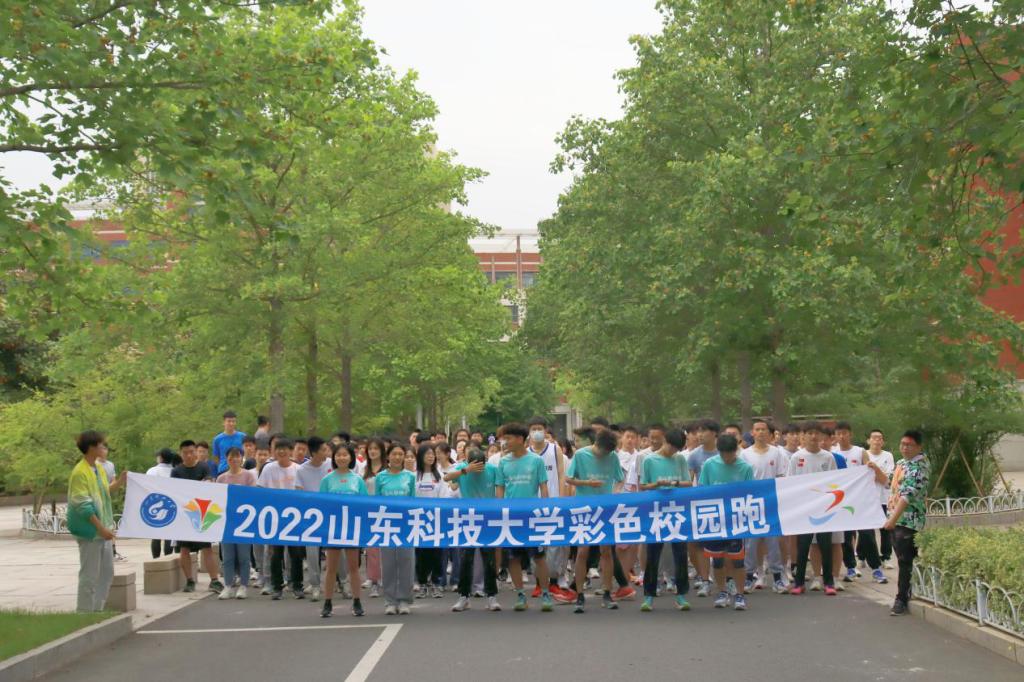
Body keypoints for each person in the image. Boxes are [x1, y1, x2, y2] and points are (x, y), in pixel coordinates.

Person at [497, 422, 554, 612]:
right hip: (512, 518)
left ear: (520, 439)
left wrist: (545, 511)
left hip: (532, 518)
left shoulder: (536, 461)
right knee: (513, 558)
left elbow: (543, 487)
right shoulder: (503, 462)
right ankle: (521, 595)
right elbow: (500, 489)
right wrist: (500, 512)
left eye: (508, 438)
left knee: (539, 557)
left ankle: (545, 593)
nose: (505, 442)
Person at [565, 428, 624, 613]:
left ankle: (607, 592)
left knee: (606, 550)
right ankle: (579, 594)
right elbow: (568, 479)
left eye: (607, 453)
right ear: (596, 444)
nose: (604, 455)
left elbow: (620, 479)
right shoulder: (581, 455)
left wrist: (615, 492)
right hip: (584, 508)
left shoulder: (612, 457)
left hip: (605, 509)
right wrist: (587, 483)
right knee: (582, 551)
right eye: (602, 452)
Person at [67, 430, 123, 612]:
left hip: (102, 529)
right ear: (91, 448)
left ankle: (97, 610)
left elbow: (103, 492)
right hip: (90, 531)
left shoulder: (98, 468)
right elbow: (83, 506)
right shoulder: (80, 472)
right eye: (100, 445)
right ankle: (84, 613)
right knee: (90, 575)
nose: (103, 448)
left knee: (107, 573)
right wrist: (100, 529)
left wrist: (121, 481)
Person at [698, 434, 754, 611]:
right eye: (723, 454)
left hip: (736, 520)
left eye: (730, 454)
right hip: (715, 519)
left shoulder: (745, 468)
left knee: (737, 560)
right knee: (717, 559)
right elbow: (702, 489)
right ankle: (722, 591)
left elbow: (750, 494)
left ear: (736, 450)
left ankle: (740, 594)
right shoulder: (709, 465)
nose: (727, 458)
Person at [638, 428, 692, 612]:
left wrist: (674, 483)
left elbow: (688, 482)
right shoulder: (649, 460)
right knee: (653, 554)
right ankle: (649, 595)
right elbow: (643, 486)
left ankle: (681, 594)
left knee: (680, 554)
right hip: (656, 511)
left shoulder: (680, 459)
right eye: (672, 447)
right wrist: (657, 484)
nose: (673, 451)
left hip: (677, 510)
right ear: (665, 441)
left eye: (677, 449)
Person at [447, 447, 504, 612]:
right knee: (466, 558)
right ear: (468, 462)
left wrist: (498, 511)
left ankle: (491, 595)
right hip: (468, 518)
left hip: (488, 518)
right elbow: (447, 478)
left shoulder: (492, 469)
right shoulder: (462, 468)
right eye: (476, 466)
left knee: (489, 558)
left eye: (481, 465)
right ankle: (463, 596)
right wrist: (466, 470)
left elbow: (500, 492)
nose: (479, 469)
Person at [787, 422, 838, 596]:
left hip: (824, 508)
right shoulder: (797, 457)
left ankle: (829, 582)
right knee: (803, 546)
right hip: (804, 508)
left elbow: (834, 481)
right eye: (809, 433)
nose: (813, 436)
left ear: (822, 436)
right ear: (804, 436)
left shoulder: (828, 457)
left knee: (825, 546)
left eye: (816, 433)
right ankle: (799, 582)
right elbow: (790, 482)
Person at [884, 430, 931, 616]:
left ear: (919, 447)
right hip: (895, 518)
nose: (905, 448)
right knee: (902, 558)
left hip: (909, 520)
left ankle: (901, 599)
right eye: (903, 444)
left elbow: (907, 495)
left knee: (905, 560)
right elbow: (889, 482)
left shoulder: (920, 466)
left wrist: (892, 520)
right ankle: (913, 589)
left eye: (909, 445)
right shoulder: (901, 463)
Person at [740, 419, 788, 594]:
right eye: (757, 429)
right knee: (751, 543)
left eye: (763, 429)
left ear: (769, 433)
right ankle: (749, 577)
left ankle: (777, 578)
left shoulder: (777, 453)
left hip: (771, 503)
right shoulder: (744, 454)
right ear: (752, 433)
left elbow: (782, 477)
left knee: (773, 541)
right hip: (751, 503)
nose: (760, 432)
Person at [320, 443, 368, 618]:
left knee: (353, 567)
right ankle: (327, 602)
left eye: (345, 455)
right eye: (338, 455)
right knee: (331, 568)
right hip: (333, 528)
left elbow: (364, 505)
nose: (341, 458)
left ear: (351, 457)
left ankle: (357, 601)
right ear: (334, 458)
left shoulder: (357, 480)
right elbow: (322, 504)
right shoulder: (327, 480)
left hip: (352, 528)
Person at [526, 416, 570, 602]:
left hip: (552, 503)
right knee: (536, 545)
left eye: (540, 428)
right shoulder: (526, 453)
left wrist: (561, 498)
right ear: (529, 432)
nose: (537, 432)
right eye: (533, 428)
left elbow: (561, 474)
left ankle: (553, 582)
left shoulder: (554, 449)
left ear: (545, 431)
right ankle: (539, 583)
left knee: (554, 545)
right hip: (533, 505)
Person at [172, 441, 224, 593]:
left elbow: (208, 484)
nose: (189, 455)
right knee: (184, 549)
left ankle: (214, 580)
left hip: (202, 514)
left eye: (191, 452)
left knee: (207, 548)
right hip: (184, 515)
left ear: (196, 452)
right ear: (181, 454)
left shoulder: (204, 467)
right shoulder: (176, 471)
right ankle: (189, 580)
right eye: (185, 452)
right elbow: (174, 491)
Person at [258, 438, 304, 600]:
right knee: (275, 554)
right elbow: (260, 490)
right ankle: (276, 586)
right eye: (278, 448)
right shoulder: (268, 468)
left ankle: (297, 585)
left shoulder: (298, 469)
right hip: (274, 517)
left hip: (294, 518)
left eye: (285, 448)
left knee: (296, 554)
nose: (282, 451)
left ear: (290, 451)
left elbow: (303, 492)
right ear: (274, 451)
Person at [375, 444, 417, 615]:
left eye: (401, 454)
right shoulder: (380, 477)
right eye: (394, 454)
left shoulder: (410, 476)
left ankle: (405, 599)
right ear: (388, 456)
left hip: (406, 525)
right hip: (386, 524)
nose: (398, 457)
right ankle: (390, 601)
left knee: (406, 562)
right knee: (388, 563)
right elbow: (376, 502)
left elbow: (413, 501)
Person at [296, 436, 333, 601]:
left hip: (331, 513)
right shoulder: (301, 470)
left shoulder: (331, 464)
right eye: (323, 450)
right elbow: (299, 492)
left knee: (337, 551)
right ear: (314, 452)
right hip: (311, 516)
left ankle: (342, 582)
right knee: (312, 552)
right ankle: (315, 585)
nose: (327, 453)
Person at [216, 447, 256, 600]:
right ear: (227, 459)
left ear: (242, 458)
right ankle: (228, 585)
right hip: (227, 522)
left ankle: (243, 585)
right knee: (227, 556)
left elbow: (252, 496)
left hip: (244, 522)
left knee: (244, 556)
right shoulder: (221, 478)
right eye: (231, 457)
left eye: (237, 456)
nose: (234, 459)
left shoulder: (248, 476)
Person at [687, 419, 720, 597]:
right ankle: (704, 578)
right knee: (697, 544)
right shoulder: (694, 455)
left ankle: (725, 582)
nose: (699, 435)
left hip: (722, 504)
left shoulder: (723, 452)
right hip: (701, 504)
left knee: (722, 545)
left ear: (714, 433)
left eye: (703, 431)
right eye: (698, 431)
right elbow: (688, 480)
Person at [414, 443, 445, 598]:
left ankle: (436, 583)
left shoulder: (439, 476)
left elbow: (444, 497)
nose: (431, 456)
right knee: (421, 554)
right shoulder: (414, 476)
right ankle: (422, 583)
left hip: (436, 521)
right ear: (420, 456)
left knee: (436, 554)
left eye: (432, 454)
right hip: (419, 520)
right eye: (427, 454)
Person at [864, 429, 896, 572]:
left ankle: (886, 557)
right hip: (868, 498)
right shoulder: (864, 454)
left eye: (880, 438)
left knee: (885, 529)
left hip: (884, 498)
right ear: (868, 440)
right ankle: (862, 556)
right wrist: (878, 474)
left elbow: (887, 479)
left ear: (883, 442)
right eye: (874, 438)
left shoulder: (888, 456)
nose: (877, 440)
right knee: (866, 531)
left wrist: (875, 471)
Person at [362, 438, 387, 598]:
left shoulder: (387, 469)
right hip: (369, 513)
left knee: (386, 549)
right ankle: (374, 581)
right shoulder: (363, 469)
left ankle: (386, 578)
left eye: (376, 448)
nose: (372, 451)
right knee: (371, 549)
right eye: (370, 449)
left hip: (386, 512)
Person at [146, 448, 176, 558]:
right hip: (171, 505)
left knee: (156, 536)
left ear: (161, 458)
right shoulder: (175, 471)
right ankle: (167, 560)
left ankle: (156, 560)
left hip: (155, 504)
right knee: (169, 536)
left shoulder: (152, 471)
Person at [211, 410, 246, 476]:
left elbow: (246, 453)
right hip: (223, 470)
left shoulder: (243, 437)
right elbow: (216, 457)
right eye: (229, 421)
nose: (231, 423)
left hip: (240, 469)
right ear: (224, 422)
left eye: (233, 421)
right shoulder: (217, 439)